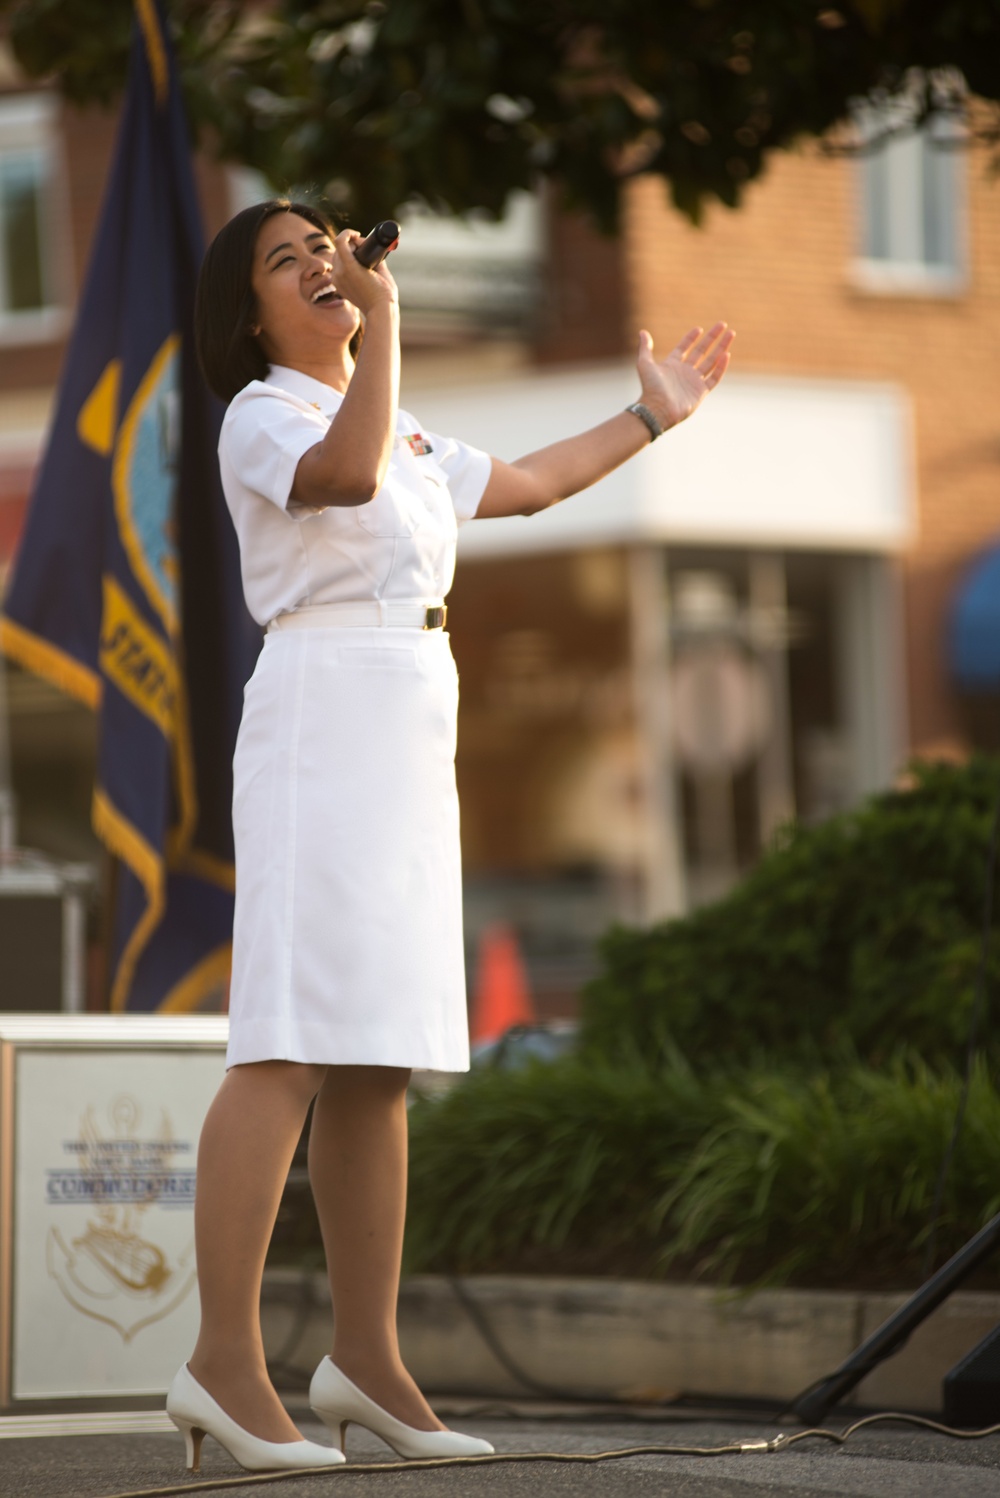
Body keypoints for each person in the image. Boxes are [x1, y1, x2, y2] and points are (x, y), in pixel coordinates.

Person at [167, 197, 733, 1475]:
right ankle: (219, 1362)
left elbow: (528, 486)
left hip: (409, 723)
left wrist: (651, 415)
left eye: (327, 245)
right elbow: (347, 481)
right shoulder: (265, 414)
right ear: (247, 310)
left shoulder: (401, 418)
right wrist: (387, 326)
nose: (321, 263)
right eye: (287, 258)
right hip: (321, 712)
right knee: (291, 1037)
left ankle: (364, 1362)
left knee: (381, 1054)